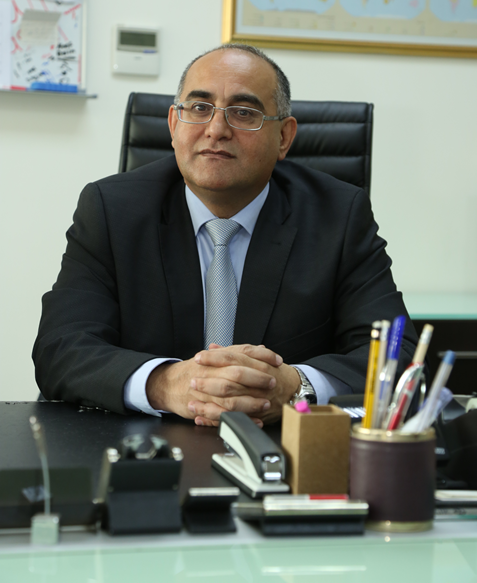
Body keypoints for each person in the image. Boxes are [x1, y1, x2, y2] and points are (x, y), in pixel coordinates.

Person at [33, 43, 417, 426]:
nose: (216, 130)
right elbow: (61, 348)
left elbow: (396, 356)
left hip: (283, 444)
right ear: (174, 124)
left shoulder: (339, 216)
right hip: (145, 445)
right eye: (199, 108)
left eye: (244, 113)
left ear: (284, 137)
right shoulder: (111, 209)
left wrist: (295, 386)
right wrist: (165, 384)